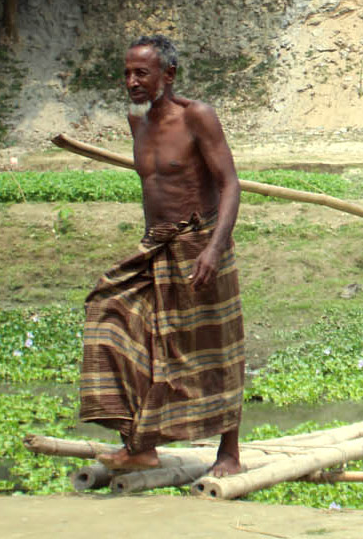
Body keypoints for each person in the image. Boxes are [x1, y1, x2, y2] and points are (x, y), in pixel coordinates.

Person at [82, 35, 245, 477]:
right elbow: (152, 189)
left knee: (215, 346)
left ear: (167, 75)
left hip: (201, 243)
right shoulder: (138, 122)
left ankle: (229, 453)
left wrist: (213, 249)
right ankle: (140, 445)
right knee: (114, 318)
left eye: (142, 73)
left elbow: (231, 184)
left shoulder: (198, 117)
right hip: (156, 245)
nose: (132, 82)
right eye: (127, 73)